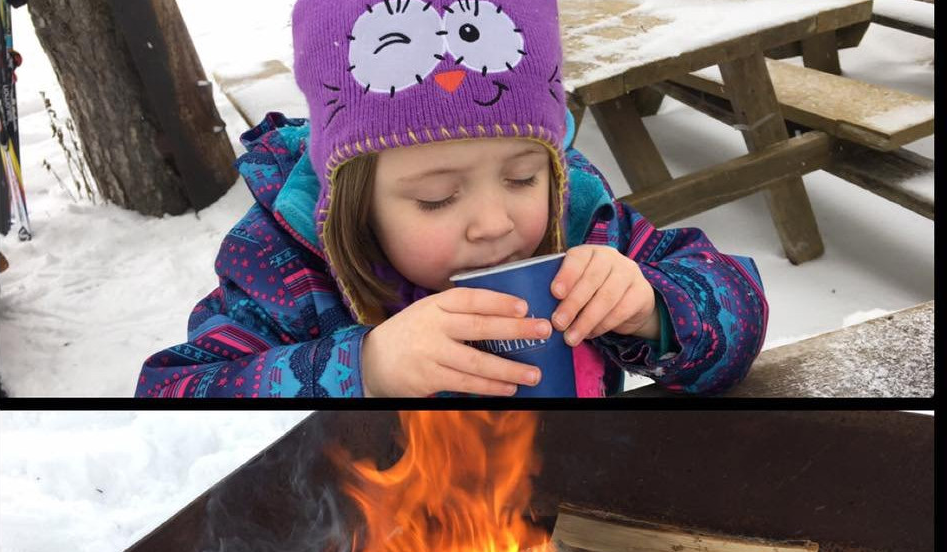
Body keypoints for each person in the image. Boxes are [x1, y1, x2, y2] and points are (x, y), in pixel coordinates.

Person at [136, 0, 767, 398]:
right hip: (394, 538)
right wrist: (365, 370)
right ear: (352, 198)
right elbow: (171, 392)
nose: (495, 224)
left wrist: (656, 308)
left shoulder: (582, 224)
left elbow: (737, 307)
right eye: (437, 198)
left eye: (523, 178)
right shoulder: (286, 273)